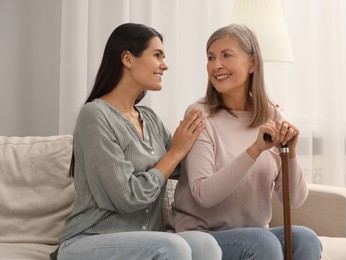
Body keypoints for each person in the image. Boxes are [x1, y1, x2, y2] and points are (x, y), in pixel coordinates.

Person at [54, 23, 222, 260]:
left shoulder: (150, 119)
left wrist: (244, 124)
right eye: (157, 55)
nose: (165, 65)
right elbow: (127, 197)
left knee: (205, 244)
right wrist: (174, 152)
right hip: (89, 241)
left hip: (144, 241)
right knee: (173, 247)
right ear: (128, 58)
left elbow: (187, 169)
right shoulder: (95, 116)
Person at [167, 24, 322, 259]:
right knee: (261, 241)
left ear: (253, 64)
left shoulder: (272, 115)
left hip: (254, 235)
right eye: (211, 57)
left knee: (305, 238)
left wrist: (289, 153)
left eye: (226, 55)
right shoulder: (200, 115)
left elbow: (295, 200)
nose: (216, 65)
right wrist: (256, 149)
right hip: (201, 237)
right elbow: (203, 195)